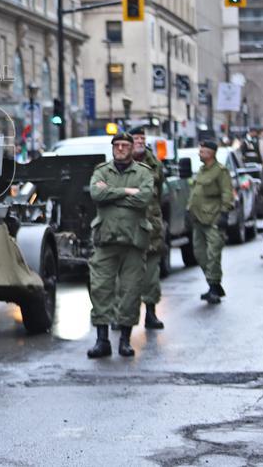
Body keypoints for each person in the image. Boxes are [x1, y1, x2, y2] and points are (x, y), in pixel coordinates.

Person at [86, 132, 154, 359]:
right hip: (106, 239)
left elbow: (144, 198)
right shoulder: (102, 171)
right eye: (117, 145)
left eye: (126, 145)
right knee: (100, 289)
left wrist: (111, 193)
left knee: (131, 291)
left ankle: (125, 340)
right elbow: (96, 193)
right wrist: (126, 191)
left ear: (133, 147)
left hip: (134, 241)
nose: (121, 149)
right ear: (113, 147)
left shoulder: (143, 172)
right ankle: (102, 340)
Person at [189, 140, 235, 304]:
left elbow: (227, 192)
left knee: (213, 254)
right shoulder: (201, 170)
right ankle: (212, 283)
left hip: (213, 219)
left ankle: (214, 287)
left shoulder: (220, 171)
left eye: (202, 151)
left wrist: (224, 214)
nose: (199, 153)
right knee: (199, 254)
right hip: (198, 219)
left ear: (211, 153)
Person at [129, 128, 165, 330]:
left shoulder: (155, 165)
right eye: (136, 138)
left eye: (143, 138)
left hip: (151, 226)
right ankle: (122, 316)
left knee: (151, 273)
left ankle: (150, 313)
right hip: (128, 227)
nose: (140, 141)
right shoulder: (120, 164)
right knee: (125, 275)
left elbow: (159, 196)